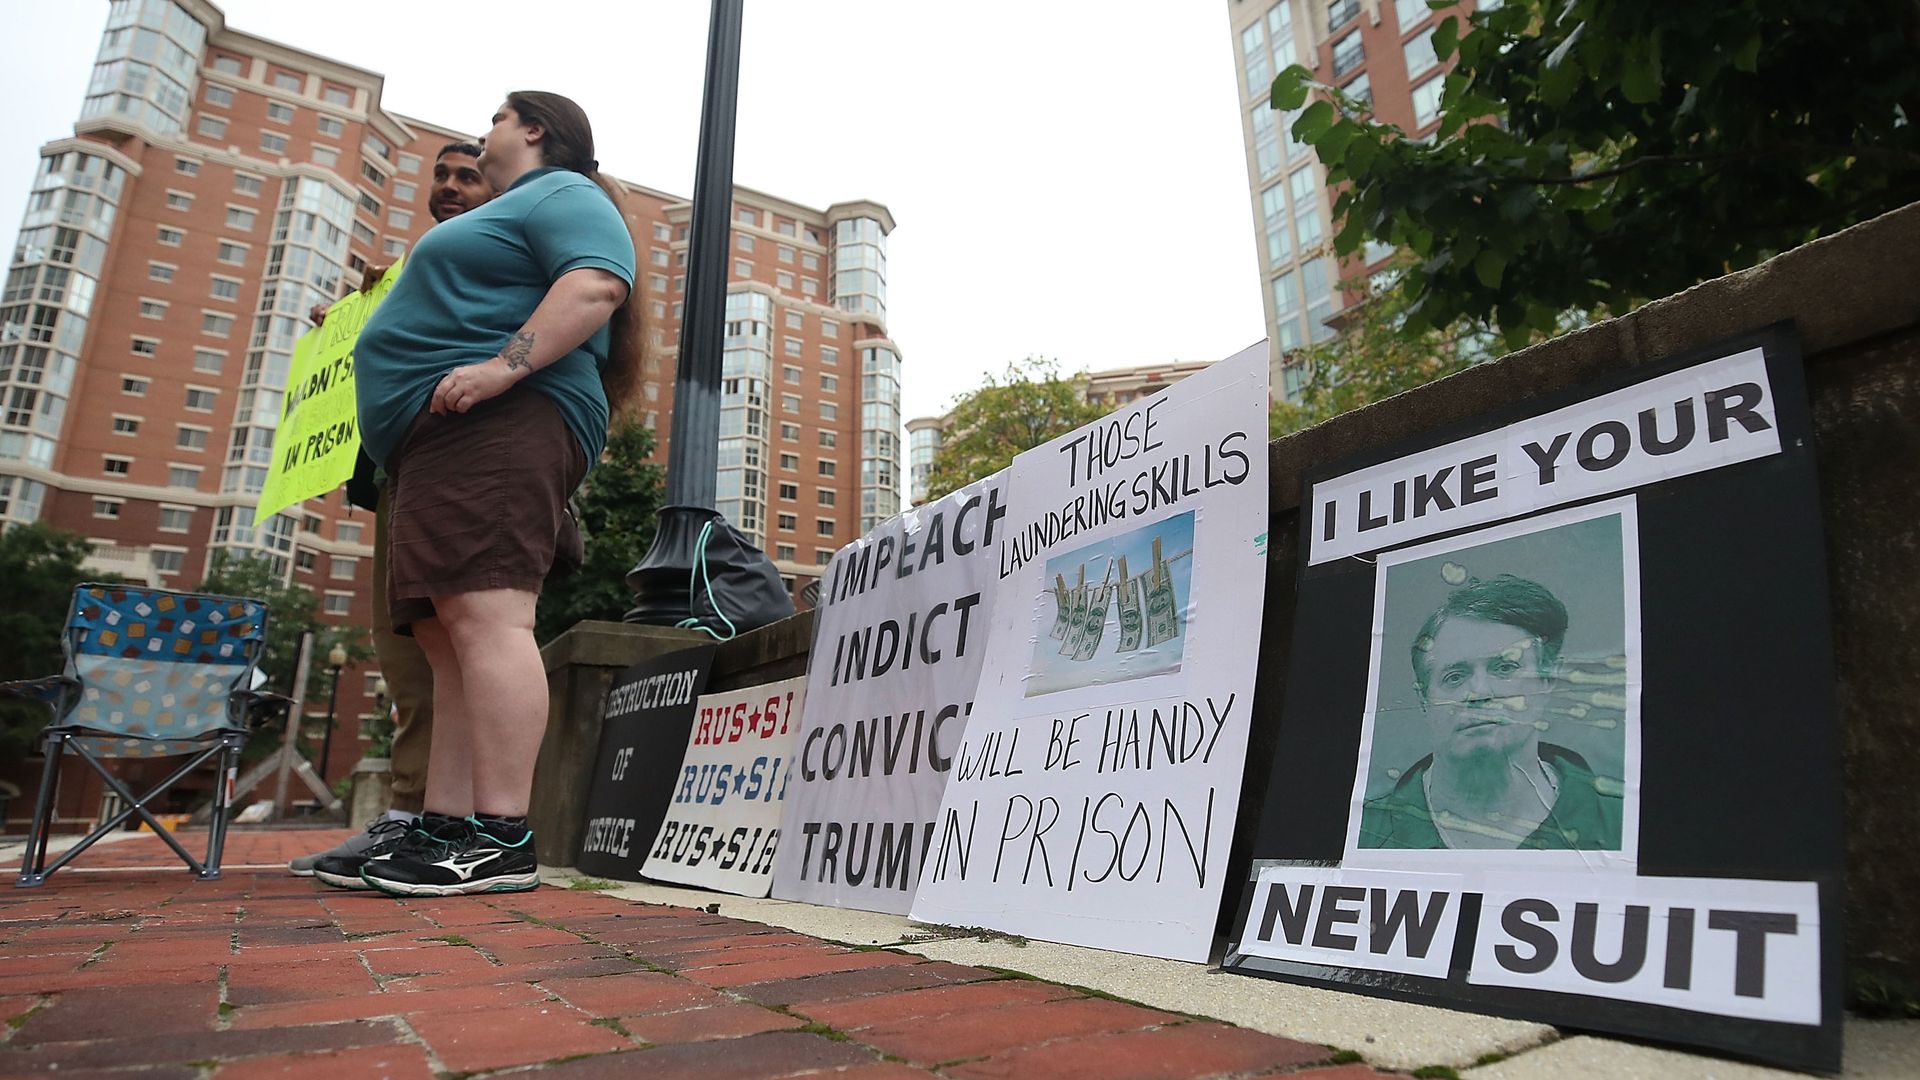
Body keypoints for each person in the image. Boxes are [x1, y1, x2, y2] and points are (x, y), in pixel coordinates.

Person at [351, 91, 641, 896]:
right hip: (436, 439)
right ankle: (444, 826)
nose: (485, 135)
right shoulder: (513, 208)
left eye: (495, 120)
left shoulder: (563, 193)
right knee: (448, 640)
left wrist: (497, 369)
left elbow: (594, 287)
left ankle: (500, 835)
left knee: (488, 618)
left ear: (533, 128)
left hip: (502, 419)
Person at [288, 142, 498, 887]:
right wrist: (352, 321)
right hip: (394, 472)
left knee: (452, 648)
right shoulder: (412, 267)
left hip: (458, 465)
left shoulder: (493, 256)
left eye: (467, 174)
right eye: (440, 175)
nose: (449, 186)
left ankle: (444, 822)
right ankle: (411, 818)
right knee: (401, 648)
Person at [1359, 574, 1623, 851]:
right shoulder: (1364, 833)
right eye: (1454, 676)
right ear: (1423, 700)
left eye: (1505, 668)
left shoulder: (1623, 822)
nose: (1479, 692)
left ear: (1548, 680)